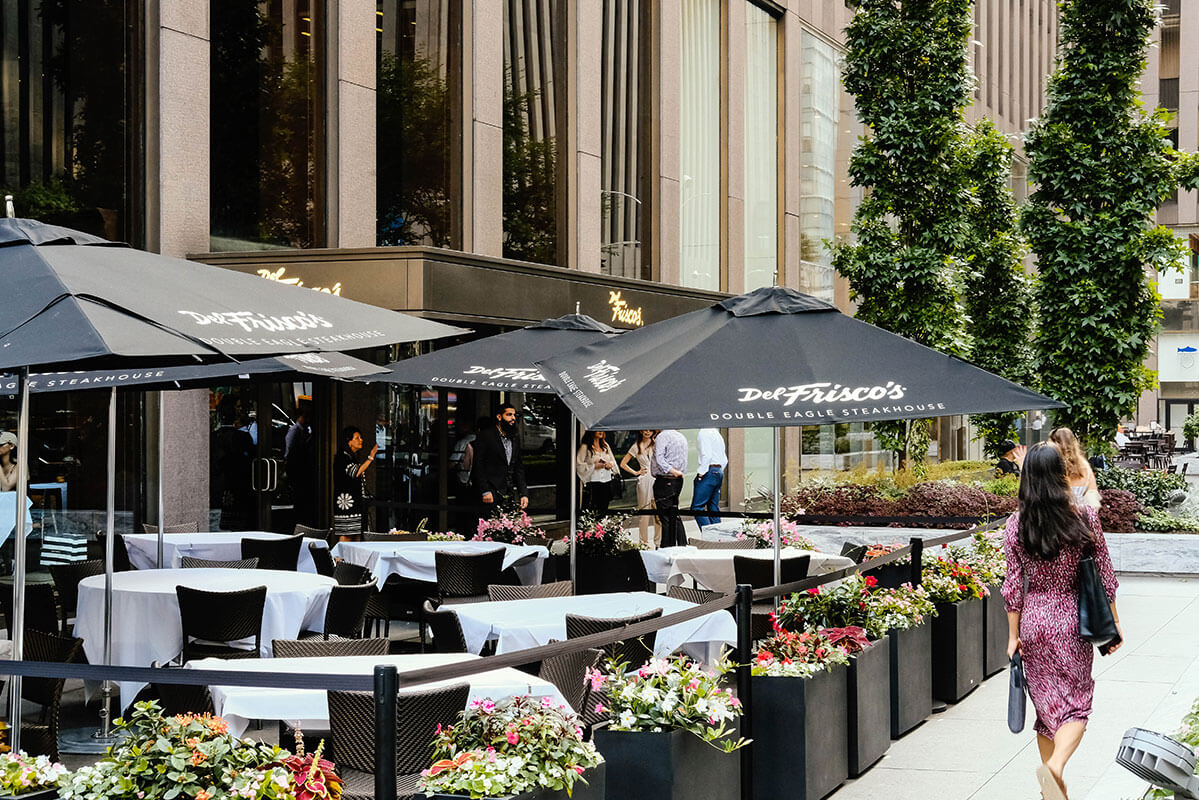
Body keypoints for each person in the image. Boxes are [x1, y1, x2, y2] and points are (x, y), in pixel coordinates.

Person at [1003, 443, 1121, 800]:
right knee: (1075, 705)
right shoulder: (1084, 517)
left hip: (1034, 621)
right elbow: (1105, 576)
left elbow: (1012, 585)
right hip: (1072, 619)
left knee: (1046, 710)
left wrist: (1012, 637)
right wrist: (1113, 625)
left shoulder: (1015, 524)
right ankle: (1054, 769)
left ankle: (1052, 795)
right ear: (1059, 473)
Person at [470, 403, 528, 510]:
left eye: (514, 415)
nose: (513, 418)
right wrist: (485, 490)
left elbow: (518, 467)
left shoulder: (515, 437)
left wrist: (523, 493)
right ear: (499, 417)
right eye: (509, 415)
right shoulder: (486, 435)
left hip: (508, 491)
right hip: (490, 491)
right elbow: (478, 465)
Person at [211, 398, 255, 530]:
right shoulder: (243, 438)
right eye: (237, 407)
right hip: (238, 489)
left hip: (218, 491)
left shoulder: (213, 438)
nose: (239, 410)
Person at [333, 426, 378, 537]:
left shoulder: (351, 457)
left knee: (356, 536)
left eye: (360, 437)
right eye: (357, 438)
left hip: (355, 504)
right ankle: (339, 555)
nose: (361, 440)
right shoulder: (342, 457)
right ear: (349, 441)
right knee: (346, 535)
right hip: (347, 505)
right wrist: (370, 458)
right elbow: (355, 472)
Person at [621, 430, 661, 547]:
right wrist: (636, 472)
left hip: (657, 479)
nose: (647, 432)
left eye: (650, 430)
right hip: (644, 480)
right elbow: (623, 463)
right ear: (641, 431)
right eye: (645, 430)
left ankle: (658, 542)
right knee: (644, 512)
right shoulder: (636, 446)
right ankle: (644, 543)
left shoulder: (657, 443)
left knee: (658, 512)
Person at [651, 429, 688, 548]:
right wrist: (679, 473)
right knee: (675, 515)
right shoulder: (681, 436)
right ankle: (682, 545)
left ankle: (666, 548)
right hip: (677, 481)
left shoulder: (662, 436)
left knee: (666, 518)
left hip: (666, 479)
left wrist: (673, 471)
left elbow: (660, 459)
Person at [1049, 427, 1100, 509]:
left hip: (1057, 515)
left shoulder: (1052, 464)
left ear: (1056, 443)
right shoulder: (1084, 465)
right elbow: (1092, 491)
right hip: (1081, 515)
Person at [691, 428, 727, 528]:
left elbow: (706, 455)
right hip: (718, 471)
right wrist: (718, 471)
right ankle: (718, 538)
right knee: (713, 507)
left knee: (697, 508)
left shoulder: (703, 432)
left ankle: (710, 537)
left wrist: (701, 472)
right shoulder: (717, 433)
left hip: (709, 471)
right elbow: (725, 459)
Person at [576, 430, 618, 515]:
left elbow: (613, 461)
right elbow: (579, 464)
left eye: (602, 430)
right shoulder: (585, 446)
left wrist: (610, 464)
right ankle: (593, 527)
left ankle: (602, 527)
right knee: (593, 508)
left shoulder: (605, 445)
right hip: (594, 482)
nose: (601, 432)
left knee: (604, 508)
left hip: (607, 481)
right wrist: (594, 466)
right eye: (598, 430)